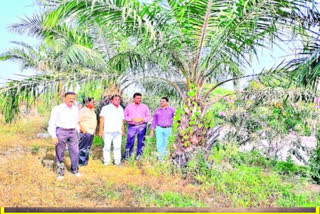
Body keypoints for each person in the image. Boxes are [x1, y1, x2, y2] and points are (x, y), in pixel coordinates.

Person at [48, 92, 80, 180]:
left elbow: (76, 121)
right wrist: (53, 136)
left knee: (75, 152)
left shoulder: (75, 109)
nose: (71, 100)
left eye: (73, 98)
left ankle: (75, 170)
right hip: (61, 132)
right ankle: (60, 172)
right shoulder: (57, 109)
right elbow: (52, 123)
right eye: (69, 98)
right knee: (60, 152)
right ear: (64, 98)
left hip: (73, 132)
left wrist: (77, 131)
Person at [123, 93, 151, 160]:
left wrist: (143, 119)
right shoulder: (129, 107)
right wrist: (131, 119)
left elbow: (149, 116)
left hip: (142, 126)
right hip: (132, 126)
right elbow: (124, 116)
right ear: (133, 99)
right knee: (130, 141)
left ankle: (139, 157)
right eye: (137, 98)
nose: (139, 99)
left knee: (141, 142)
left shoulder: (145, 107)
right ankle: (127, 156)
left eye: (140, 98)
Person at [99, 95, 124, 166]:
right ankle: (106, 162)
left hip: (118, 131)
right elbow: (102, 119)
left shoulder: (120, 108)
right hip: (108, 131)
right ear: (111, 100)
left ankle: (117, 161)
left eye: (119, 100)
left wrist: (122, 129)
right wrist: (101, 130)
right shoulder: (106, 108)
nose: (118, 101)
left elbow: (122, 120)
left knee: (117, 146)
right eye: (116, 99)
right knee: (107, 147)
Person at [78, 97, 97, 166]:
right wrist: (84, 132)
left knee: (87, 148)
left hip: (91, 133)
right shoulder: (83, 111)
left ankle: (85, 163)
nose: (94, 103)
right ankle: (80, 163)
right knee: (82, 148)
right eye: (92, 102)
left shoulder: (92, 110)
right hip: (85, 133)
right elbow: (77, 122)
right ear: (87, 103)